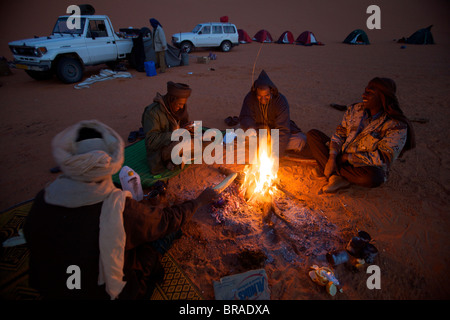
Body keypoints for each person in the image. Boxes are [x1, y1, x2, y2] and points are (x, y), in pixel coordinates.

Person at [23, 120, 218, 300]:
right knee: (164, 235)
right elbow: (165, 220)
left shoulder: (45, 197)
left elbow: (31, 234)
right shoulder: (116, 207)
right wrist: (199, 202)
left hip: (52, 288)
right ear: (106, 165)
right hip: (107, 294)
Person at [307, 77, 415, 193]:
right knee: (313, 135)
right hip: (341, 155)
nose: (364, 95)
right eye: (365, 91)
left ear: (382, 97)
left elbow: (383, 157)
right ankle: (335, 175)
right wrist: (333, 157)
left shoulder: (396, 125)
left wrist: (346, 158)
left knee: (373, 178)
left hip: (363, 165)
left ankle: (330, 170)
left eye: (370, 93)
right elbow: (340, 133)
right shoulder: (355, 109)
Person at [239, 70, 308, 157]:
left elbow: (283, 129)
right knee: (241, 136)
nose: (263, 100)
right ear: (256, 92)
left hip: (277, 135)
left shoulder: (280, 101)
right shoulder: (250, 98)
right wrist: (254, 132)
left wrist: (276, 154)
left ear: (271, 91)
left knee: (300, 140)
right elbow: (245, 117)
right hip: (258, 133)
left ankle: (267, 147)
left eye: (266, 96)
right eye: (260, 96)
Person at [142, 81, 194, 174]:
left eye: (183, 104)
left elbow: (182, 128)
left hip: (178, 140)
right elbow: (151, 141)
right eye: (179, 104)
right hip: (161, 150)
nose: (181, 107)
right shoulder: (152, 113)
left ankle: (179, 158)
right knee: (180, 146)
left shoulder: (180, 109)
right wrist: (177, 133)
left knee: (208, 140)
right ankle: (169, 161)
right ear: (171, 100)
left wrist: (188, 129)